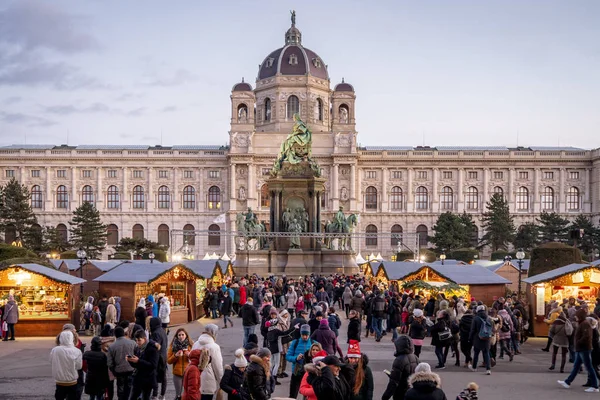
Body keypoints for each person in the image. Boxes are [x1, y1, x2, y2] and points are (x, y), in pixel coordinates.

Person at [558, 308, 599, 392]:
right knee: (577, 366)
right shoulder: (583, 323)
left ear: (580, 316)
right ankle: (567, 382)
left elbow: (586, 336)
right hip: (582, 348)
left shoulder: (584, 324)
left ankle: (594, 386)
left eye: (577, 315)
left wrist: (579, 342)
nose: (575, 317)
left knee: (589, 367)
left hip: (584, 348)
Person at [192, 324, 224, 400]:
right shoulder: (214, 347)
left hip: (195, 379)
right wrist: (221, 383)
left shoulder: (196, 344)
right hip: (208, 382)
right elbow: (217, 366)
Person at [382, 335, 419, 400]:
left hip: (401, 392)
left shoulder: (399, 360)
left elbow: (394, 382)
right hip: (412, 392)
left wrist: (385, 397)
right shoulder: (415, 357)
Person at [50, 330, 83, 400]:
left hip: (59, 381)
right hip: (72, 381)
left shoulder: (55, 350)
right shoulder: (77, 351)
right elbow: (79, 366)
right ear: (72, 339)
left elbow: (51, 361)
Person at [286, 324, 314, 398]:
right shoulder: (295, 343)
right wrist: (296, 358)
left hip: (309, 373)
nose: (305, 337)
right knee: (293, 394)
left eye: (306, 335)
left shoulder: (313, 343)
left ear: (309, 334)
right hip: (296, 372)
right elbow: (288, 356)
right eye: (303, 335)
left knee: (307, 395)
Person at [107, 326, 136, 400]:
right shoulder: (132, 343)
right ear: (124, 333)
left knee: (120, 389)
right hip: (130, 369)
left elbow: (109, 363)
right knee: (129, 388)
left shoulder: (112, 346)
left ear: (115, 335)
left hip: (119, 371)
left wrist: (114, 371)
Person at [168, 328, 192, 400]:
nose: (181, 336)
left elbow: (195, 360)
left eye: (182, 335)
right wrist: (175, 356)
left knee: (187, 394)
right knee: (178, 395)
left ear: (186, 336)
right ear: (176, 336)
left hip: (188, 373)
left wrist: (189, 355)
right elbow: (168, 361)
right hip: (177, 374)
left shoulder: (190, 345)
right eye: (179, 335)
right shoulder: (173, 346)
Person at [148, 317, 168, 400]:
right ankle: (162, 395)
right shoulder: (162, 330)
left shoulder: (156, 333)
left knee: (155, 377)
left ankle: (155, 395)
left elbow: (156, 346)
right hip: (163, 356)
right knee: (163, 377)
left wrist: (150, 341)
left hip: (158, 358)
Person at [469, 305, 492, 375]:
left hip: (478, 338)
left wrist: (470, 338)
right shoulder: (488, 318)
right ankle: (488, 369)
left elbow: (472, 330)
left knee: (476, 353)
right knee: (486, 353)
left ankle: (474, 367)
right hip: (487, 337)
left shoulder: (476, 318)